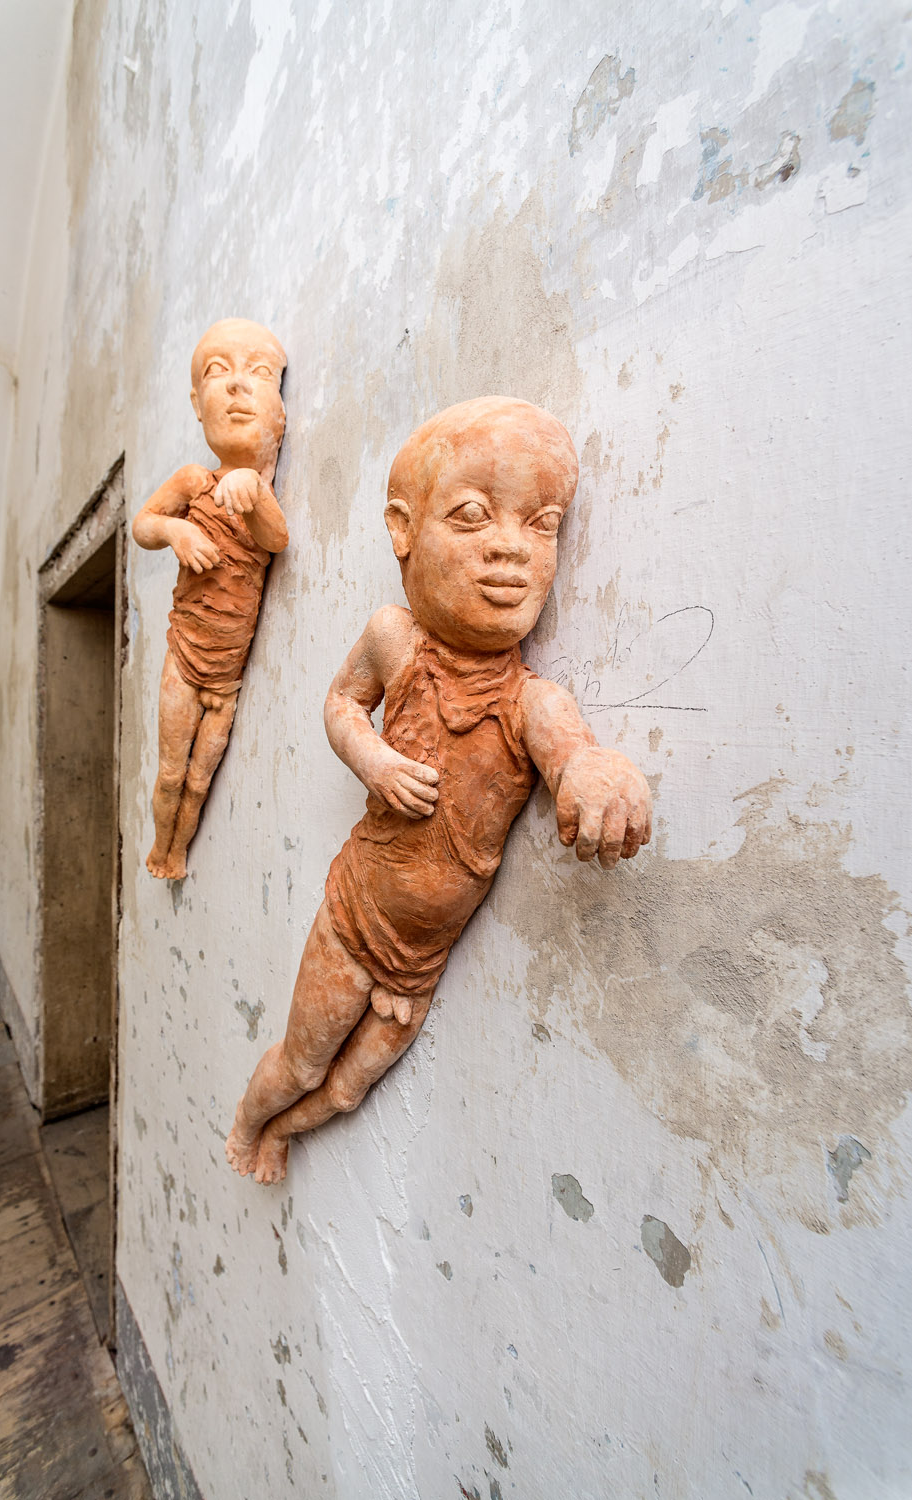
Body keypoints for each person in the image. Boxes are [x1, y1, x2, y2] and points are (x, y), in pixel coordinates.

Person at [226, 396, 652, 1184]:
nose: (509, 549)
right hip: (357, 916)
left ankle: (283, 1135)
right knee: (301, 1063)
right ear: (402, 529)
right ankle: (252, 1122)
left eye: (541, 524)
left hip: (421, 960)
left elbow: (577, 759)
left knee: (346, 1091)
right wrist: (373, 761)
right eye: (471, 516)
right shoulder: (395, 640)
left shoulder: (532, 702)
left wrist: (603, 778)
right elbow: (341, 704)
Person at [132, 319, 287, 879]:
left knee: (199, 780)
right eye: (218, 372)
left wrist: (254, 493)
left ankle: (177, 853)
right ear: (197, 404)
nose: (238, 385)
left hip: (226, 675)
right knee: (172, 773)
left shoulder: (256, 491)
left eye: (259, 373)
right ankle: (161, 848)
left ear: (280, 411)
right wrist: (177, 531)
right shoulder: (195, 481)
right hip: (184, 656)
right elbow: (143, 524)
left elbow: (276, 539)